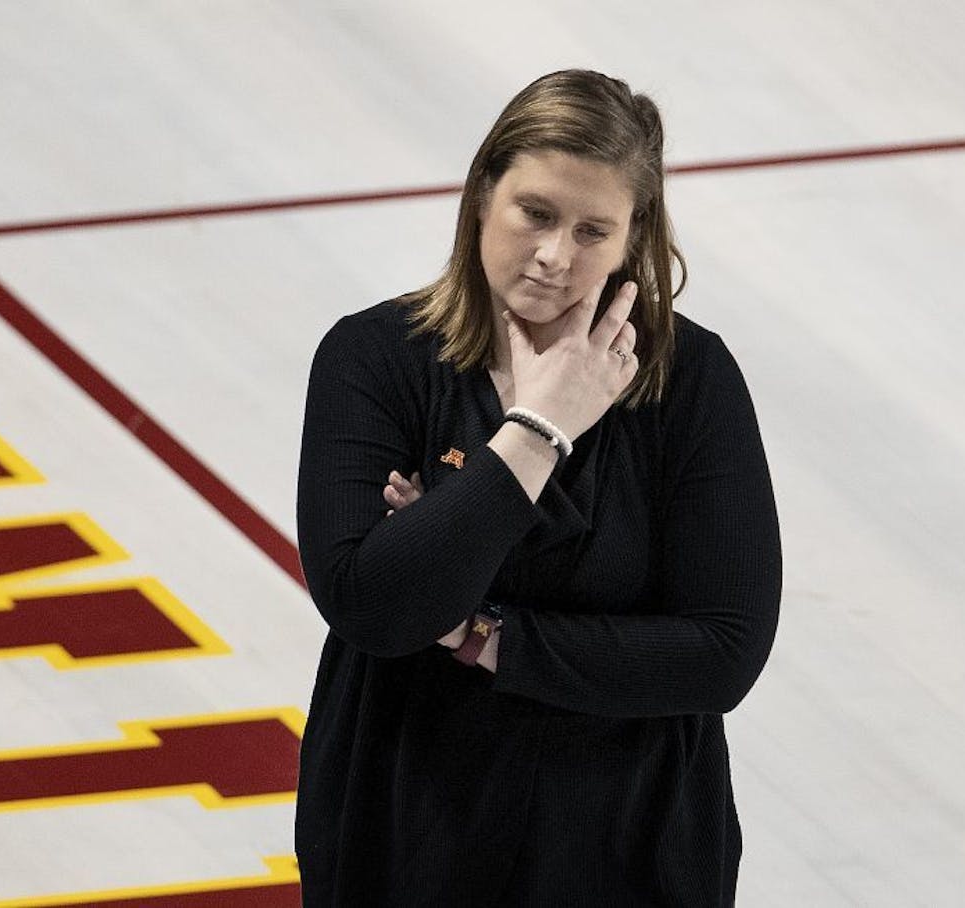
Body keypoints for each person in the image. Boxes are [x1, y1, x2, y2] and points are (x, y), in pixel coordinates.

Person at [294, 69, 782, 905]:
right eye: (537, 213)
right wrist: (538, 430)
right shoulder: (375, 358)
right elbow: (374, 606)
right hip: (408, 821)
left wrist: (481, 632)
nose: (556, 256)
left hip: (627, 840)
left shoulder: (690, 379)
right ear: (483, 194)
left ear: (635, 239)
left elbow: (721, 654)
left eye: (594, 230)